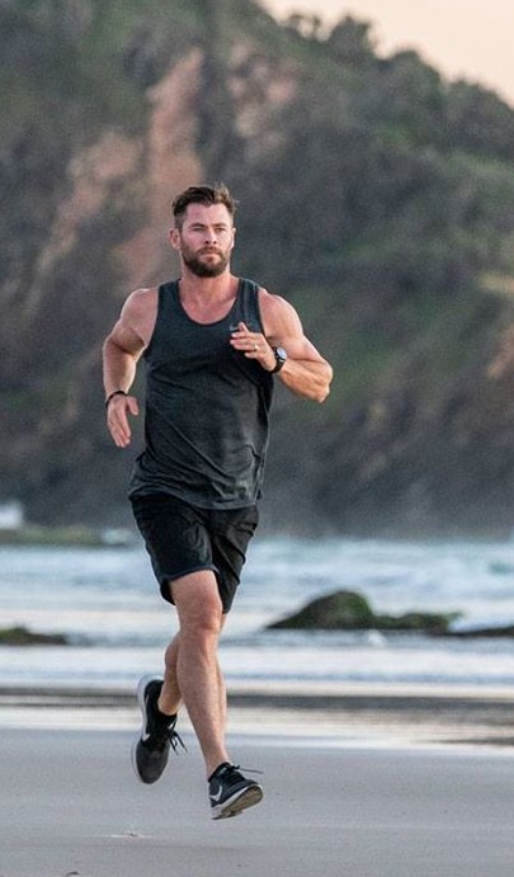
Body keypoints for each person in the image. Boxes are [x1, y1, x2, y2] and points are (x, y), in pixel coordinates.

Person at [102, 183, 332, 820]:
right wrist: (116, 395)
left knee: (198, 632)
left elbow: (321, 382)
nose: (209, 239)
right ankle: (221, 772)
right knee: (202, 619)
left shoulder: (268, 310)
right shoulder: (150, 306)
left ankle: (162, 708)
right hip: (165, 490)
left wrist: (276, 358)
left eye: (219, 229)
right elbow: (119, 347)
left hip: (236, 498)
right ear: (177, 239)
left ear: (234, 238)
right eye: (197, 229)